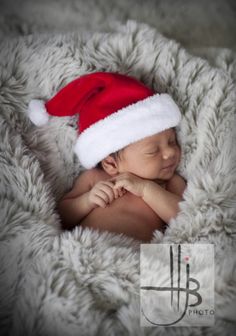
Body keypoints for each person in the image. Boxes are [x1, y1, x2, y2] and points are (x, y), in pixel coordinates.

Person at [27, 72, 186, 242]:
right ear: (111, 163)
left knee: (191, 259)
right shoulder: (94, 178)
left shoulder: (170, 183)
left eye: (172, 141)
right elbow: (61, 217)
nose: (170, 153)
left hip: (138, 258)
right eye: (153, 151)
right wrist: (87, 201)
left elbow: (186, 219)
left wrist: (146, 189)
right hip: (86, 250)